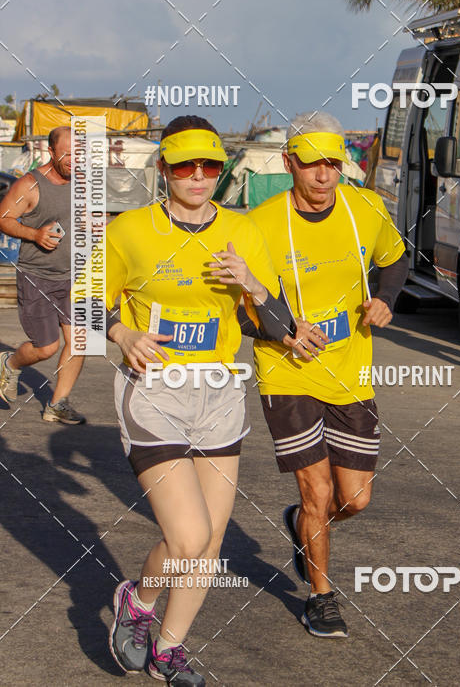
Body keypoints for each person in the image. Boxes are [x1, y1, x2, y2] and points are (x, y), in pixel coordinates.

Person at [105, 115, 303, 685]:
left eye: (210, 166)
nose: (198, 176)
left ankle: (169, 648)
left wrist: (255, 284)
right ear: (163, 168)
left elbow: (274, 323)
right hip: (155, 391)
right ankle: (140, 602)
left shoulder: (243, 230)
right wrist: (123, 334)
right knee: (188, 538)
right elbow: (85, 302)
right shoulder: (129, 231)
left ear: (221, 170)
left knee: (210, 545)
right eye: (185, 166)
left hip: (219, 393)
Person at [248, 112, 408, 638]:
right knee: (317, 492)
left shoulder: (367, 207)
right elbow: (246, 306)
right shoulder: (262, 222)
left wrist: (384, 299)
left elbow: (395, 259)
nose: (323, 175)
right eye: (312, 164)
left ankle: (301, 525)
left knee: (353, 500)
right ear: (289, 162)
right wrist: (285, 331)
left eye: (333, 164)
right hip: (287, 370)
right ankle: (321, 596)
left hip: (350, 371)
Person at [0, 125, 85, 423]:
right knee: (46, 348)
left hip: (74, 277)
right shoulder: (30, 184)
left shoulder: (83, 183)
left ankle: (57, 404)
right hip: (37, 276)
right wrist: (35, 234)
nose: (75, 159)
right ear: (50, 151)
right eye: (68, 153)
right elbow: (4, 218)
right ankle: (9, 363)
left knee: (79, 341)